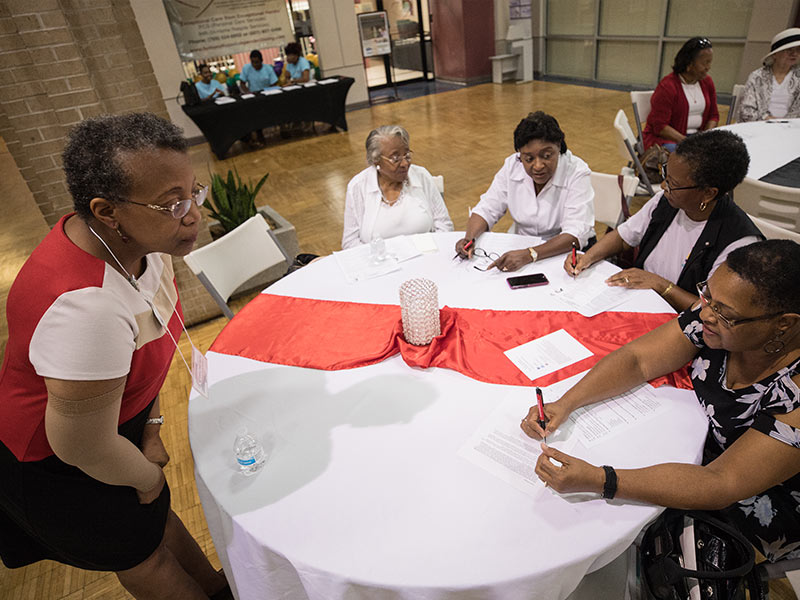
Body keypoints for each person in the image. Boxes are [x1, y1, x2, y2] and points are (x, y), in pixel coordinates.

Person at [0, 113, 231, 600]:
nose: (193, 214)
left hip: (110, 429)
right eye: (173, 203)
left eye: (194, 192)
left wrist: (149, 428)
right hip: (58, 461)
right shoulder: (85, 308)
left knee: (154, 517)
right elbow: (80, 444)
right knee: (139, 550)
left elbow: (148, 355)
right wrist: (145, 476)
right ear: (106, 212)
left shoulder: (143, 241)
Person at [524, 240, 800, 563]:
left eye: (724, 313)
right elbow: (639, 359)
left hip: (754, 499)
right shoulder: (716, 313)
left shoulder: (793, 391)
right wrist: (566, 403)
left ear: (784, 323)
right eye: (707, 295)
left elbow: (721, 482)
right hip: (688, 450)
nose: (706, 313)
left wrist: (602, 479)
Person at [565, 130, 761, 312]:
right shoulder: (666, 201)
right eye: (665, 174)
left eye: (673, 184)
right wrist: (588, 257)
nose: (664, 186)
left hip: (682, 327)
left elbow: (712, 311)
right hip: (640, 303)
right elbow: (624, 236)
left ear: (708, 194)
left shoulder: (738, 244)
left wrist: (660, 285)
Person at [455, 111, 594, 272]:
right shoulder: (512, 166)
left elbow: (574, 234)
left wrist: (530, 254)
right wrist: (469, 238)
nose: (538, 165)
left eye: (547, 156)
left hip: (566, 254)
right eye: (528, 159)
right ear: (519, 155)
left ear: (560, 149)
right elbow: (487, 208)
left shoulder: (576, 171)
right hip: (522, 248)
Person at [342, 125, 453, 249]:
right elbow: (350, 242)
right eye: (395, 158)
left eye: (407, 155)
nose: (405, 164)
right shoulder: (358, 186)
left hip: (425, 258)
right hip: (380, 264)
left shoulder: (421, 176)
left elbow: (444, 225)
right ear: (376, 160)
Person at [643, 37, 719, 152]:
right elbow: (660, 126)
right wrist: (687, 143)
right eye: (705, 63)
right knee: (685, 157)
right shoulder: (668, 86)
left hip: (696, 138)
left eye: (710, 62)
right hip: (669, 140)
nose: (708, 67)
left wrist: (705, 137)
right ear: (689, 63)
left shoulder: (707, 83)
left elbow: (713, 116)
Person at [738, 28, 800, 122]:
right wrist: (770, 121)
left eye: (798, 50)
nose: (794, 54)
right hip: (758, 126)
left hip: (788, 129)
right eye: (789, 50)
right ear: (775, 54)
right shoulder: (757, 77)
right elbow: (746, 110)